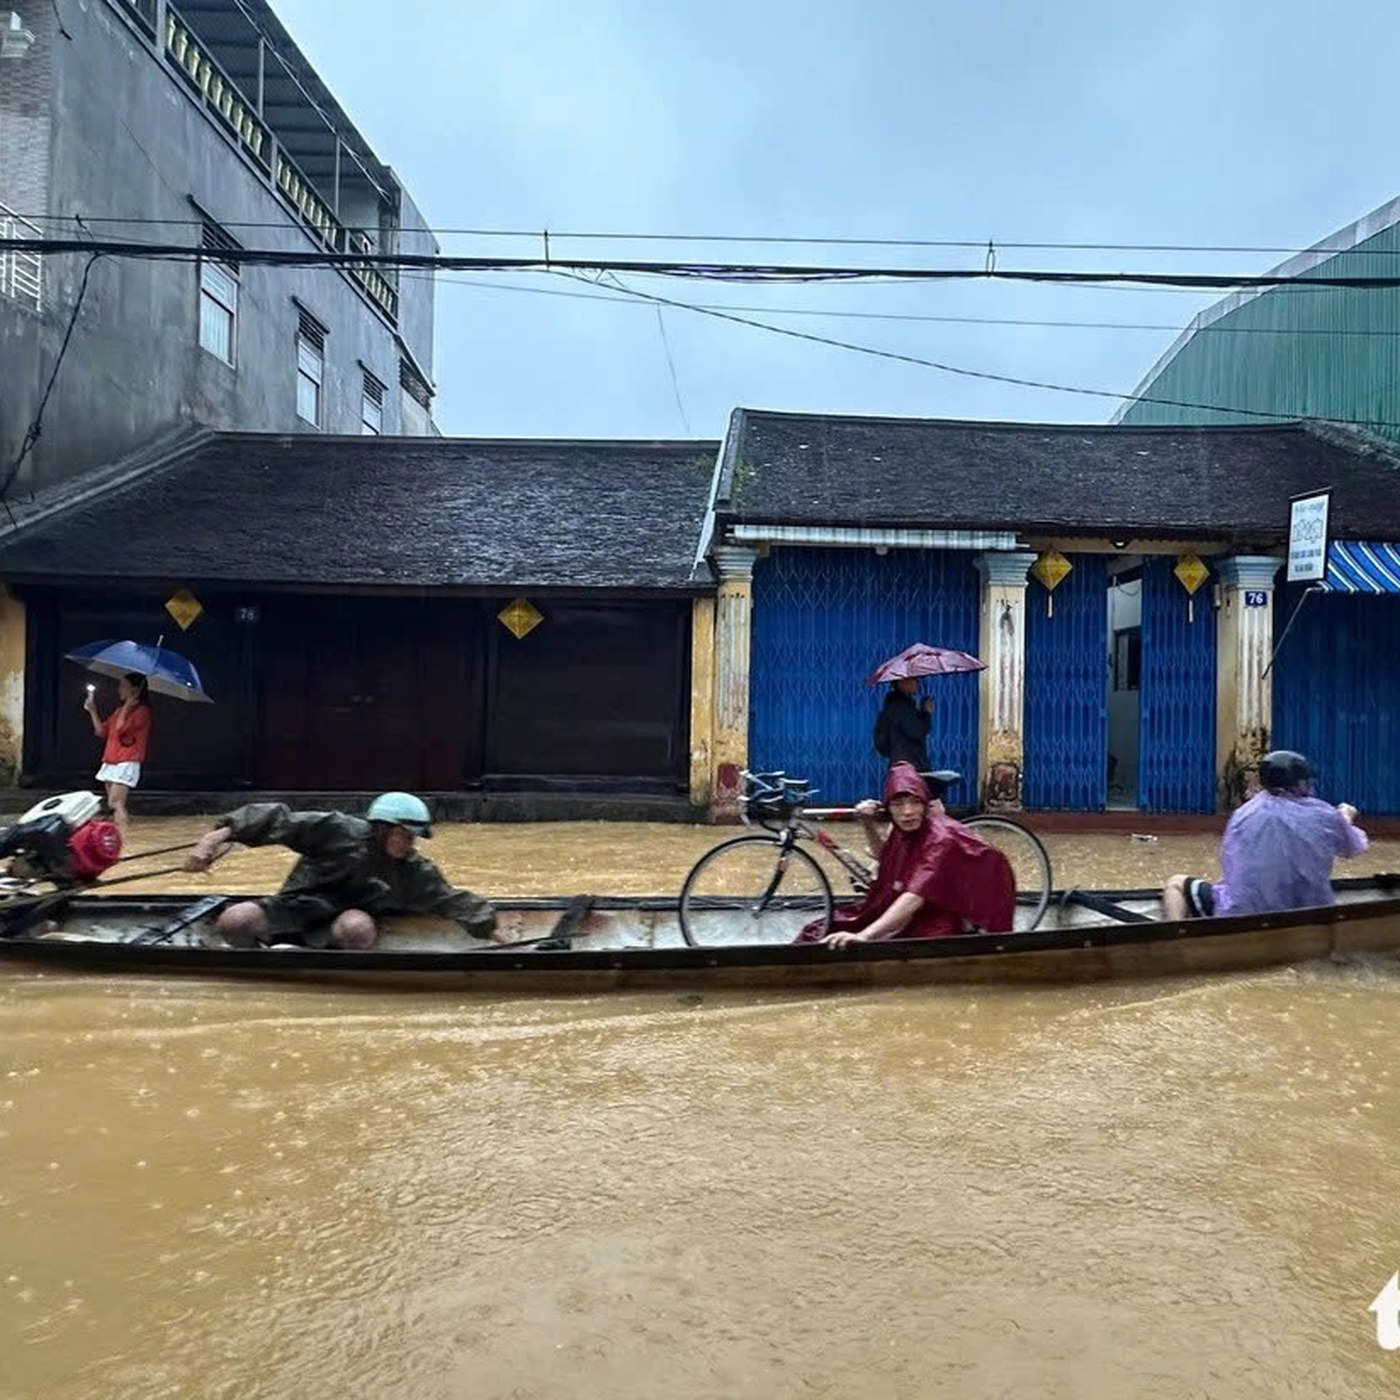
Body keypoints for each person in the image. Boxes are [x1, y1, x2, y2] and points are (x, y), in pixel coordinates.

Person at [183, 791, 503, 950]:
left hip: (344, 923)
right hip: (297, 908)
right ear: (382, 828)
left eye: (413, 837)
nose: (409, 843)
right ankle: (258, 962)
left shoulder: (412, 869)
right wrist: (211, 840)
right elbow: (276, 820)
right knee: (234, 920)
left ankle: (329, 970)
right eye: (404, 834)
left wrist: (494, 931)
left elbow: (451, 901)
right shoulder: (336, 830)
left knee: (357, 928)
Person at [795, 762, 1016, 949]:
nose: (907, 811)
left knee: (916, 940)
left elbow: (913, 897)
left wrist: (863, 937)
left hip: (967, 901)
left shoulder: (940, 839)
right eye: (898, 804)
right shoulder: (902, 830)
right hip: (934, 895)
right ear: (888, 808)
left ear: (925, 804)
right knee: (825, 928)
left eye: (914, 802)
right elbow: (889, 860)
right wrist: (868, 824)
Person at [1163, 750, 1368, 920]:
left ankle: (1177, 933)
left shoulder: (1244, 813)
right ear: (1301, 783)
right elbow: (1353, 847)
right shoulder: (1325, 814)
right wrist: (1345, 816)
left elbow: (1231, 859)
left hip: (1243, 911)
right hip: (1311, 909)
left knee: (1175, 883)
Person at [83, 672, 151, 834]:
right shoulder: (118, 711)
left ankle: (123, 836)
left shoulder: (142, 712)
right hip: (112, 759)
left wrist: (127, 707)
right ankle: (117, 835)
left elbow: (121, 729)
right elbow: (101, 731)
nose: (119, 690)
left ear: (135, 689)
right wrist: (92, 710)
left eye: (123, 686)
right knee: (113, 805)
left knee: (116, 802)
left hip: (127, 760)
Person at [873, 677, 933, 769]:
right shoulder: (901, 708)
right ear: (901, 682)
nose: (918, 683)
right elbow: (918, 732)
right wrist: (926, 713)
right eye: (915, 679)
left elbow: (881, 743)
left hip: (900, 764)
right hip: (908, 766)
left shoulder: (892, 707)